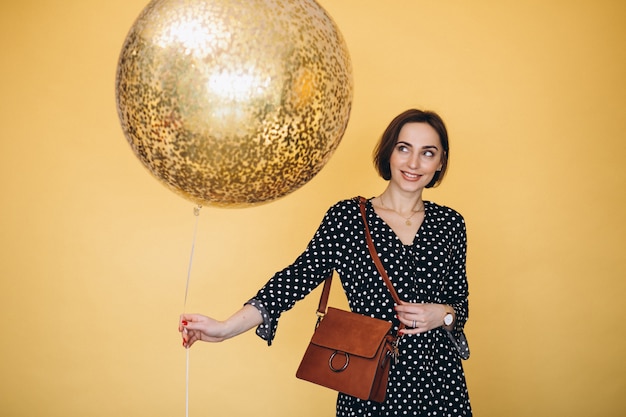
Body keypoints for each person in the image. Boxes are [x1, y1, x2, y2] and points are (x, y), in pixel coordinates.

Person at [179, 109, 472, 416]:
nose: (414, 163)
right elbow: (295, 279)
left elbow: (459, 304)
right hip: (370, 383)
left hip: (441, 382)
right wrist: (226, 328)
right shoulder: (348, 218)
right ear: (389, 154)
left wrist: (444, 315)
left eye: (428, 153)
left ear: (440, 162)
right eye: (404, 148)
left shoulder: (450, 223)